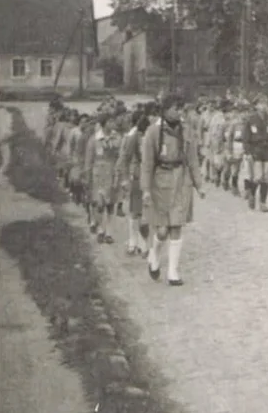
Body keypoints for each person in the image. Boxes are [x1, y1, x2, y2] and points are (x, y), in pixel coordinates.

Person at [140, 93, 206, 286]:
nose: (178, 112)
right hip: (160, 181)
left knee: (177, 225)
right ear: (166, 109)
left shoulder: (186, 131)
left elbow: (193, 159)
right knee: (161, 230)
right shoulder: (153, 132)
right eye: (175, 108)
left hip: (181, 181)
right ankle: (154, 256)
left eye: (180, 108)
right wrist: (145, 189)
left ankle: (173, 272)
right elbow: (147, 164)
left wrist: (199, 184)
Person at [85, 112, 123, 244]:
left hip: (112, 173)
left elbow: (121, 156)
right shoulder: (94, 139)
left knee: (111, 204)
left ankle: (109, 232)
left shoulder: (117, 138)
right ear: (104, 123)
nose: (113, 124)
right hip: (98, 175)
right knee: (99, 204)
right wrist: (87, 177)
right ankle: (100, 228)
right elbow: (89, 160)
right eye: (110, 121)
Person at [117, 110, 151, 256]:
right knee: (136, 211)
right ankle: (134, 242)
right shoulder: (133, 137)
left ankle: (143, 244)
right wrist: (124, 177)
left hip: (150, 178)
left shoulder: (152, 136)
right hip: (137, 177)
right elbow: (125, 157)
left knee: (147, 212)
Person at [243, 94, 268, 212]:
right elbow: (246, 137)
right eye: (261, 103)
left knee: (266, 177)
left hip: (267, 149)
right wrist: (247, 152)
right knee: (257, 177)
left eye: (265, 103)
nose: (263, 106)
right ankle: (252, 194)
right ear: (256, 105)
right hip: (255, 149)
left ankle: (263, 202)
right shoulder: (250, 119)